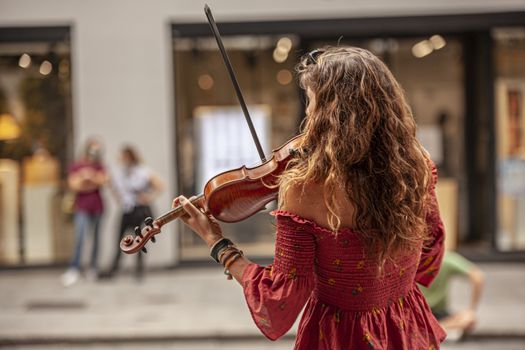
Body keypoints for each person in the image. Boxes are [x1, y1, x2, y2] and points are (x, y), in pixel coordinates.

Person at [174, 46, 447, 349]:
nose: (307, 113)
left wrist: (217, 243)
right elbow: (431, 249)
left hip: (341, 336)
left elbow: (280, 299)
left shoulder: (306, 188)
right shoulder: (417, 165)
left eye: (312, 104)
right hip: (406, 327)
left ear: (330, 115)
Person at [105, 145, 164, 280]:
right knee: (120, 239)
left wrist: (148, 197)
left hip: (138, 210)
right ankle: (114, 268)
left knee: (139, 240)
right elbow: (112, 184)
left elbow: (160, 185)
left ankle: (139, 270)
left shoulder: (142, 171)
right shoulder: (121, 172)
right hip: (127, 209)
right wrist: (117, 196)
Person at [61, 137, 107, 287]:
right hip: (81, 207)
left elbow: (103, 181)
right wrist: (86, 179)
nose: (95, 152)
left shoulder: (100, 166)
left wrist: (89, 177)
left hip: (98, 207)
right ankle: (74, 269)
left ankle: (92, 268)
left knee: (95, 238)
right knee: (79, 238)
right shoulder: (76, 166)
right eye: (93, 148)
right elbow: (74, 185)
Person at [419, 251, 485, 335]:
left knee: (468, 319)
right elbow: (478, 276)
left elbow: (477, 277)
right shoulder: (446, 259)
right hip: (434, 314)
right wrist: (471, 309)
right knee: (469, 319)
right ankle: (440, 330)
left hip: (423, 315)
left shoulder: (412, 259)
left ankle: (433, 330)